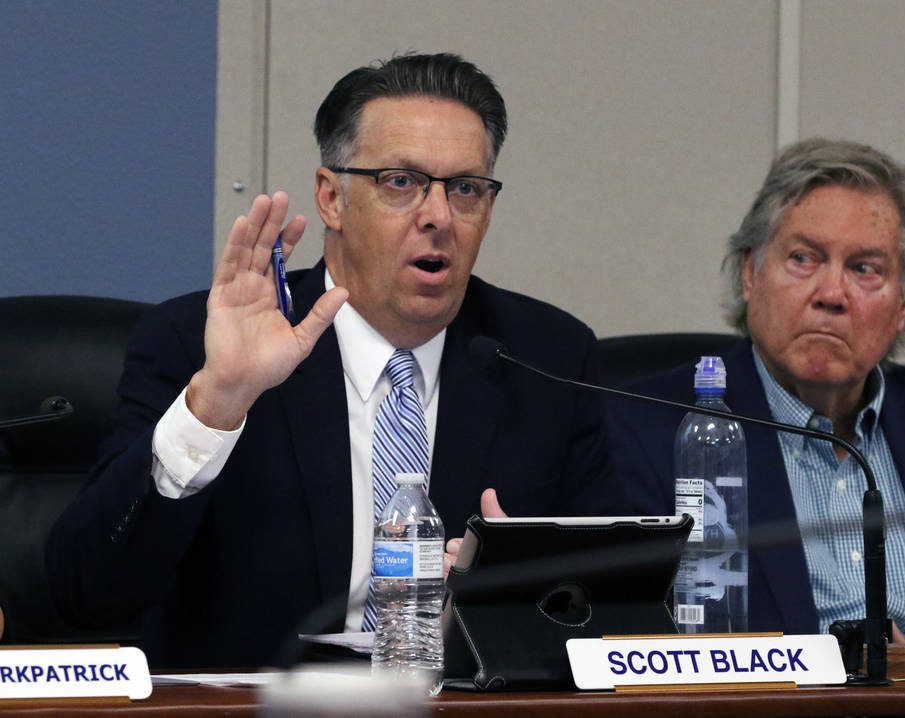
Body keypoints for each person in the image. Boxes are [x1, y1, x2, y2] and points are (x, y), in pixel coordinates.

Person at [48, 53, 623, 668]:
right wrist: (215, 404)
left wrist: (509, 597)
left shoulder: (545, 355)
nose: (438, 216)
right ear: (332, 199)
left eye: (466, 189)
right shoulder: (201, 343)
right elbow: (87, 594)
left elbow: (611, 608)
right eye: (401, 182)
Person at [608, 138, 905, 656]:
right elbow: (623, 641)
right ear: (751, 273)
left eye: (865, 268)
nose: (832, 294)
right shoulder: (646, 428)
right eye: (803, 258)